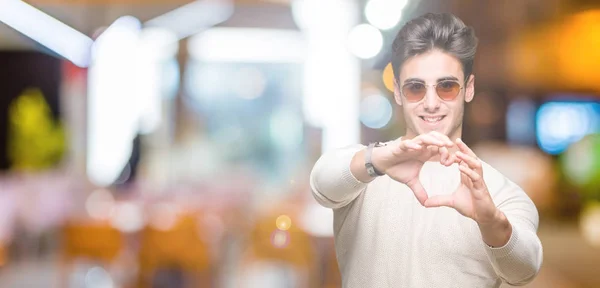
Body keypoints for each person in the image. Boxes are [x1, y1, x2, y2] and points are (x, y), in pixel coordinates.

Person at [309, 12, 543, 287]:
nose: (431, 103)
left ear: (468, 89)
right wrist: (381, 160)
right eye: (415, 88)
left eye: (446, 86)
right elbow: (322, 184)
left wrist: (489, 220)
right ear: (397, 91)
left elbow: (525, 269)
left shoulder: (498, 192)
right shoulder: (367, 170)